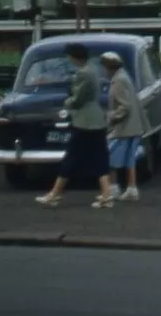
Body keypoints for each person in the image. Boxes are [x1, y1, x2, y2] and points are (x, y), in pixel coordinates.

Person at [36, 43, 115, 208]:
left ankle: (55, 194)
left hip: (84, 121)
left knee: (71, 157)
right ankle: (107, 194)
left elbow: (78, 98)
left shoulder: (83, 73)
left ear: (74, 57)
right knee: (100, 157)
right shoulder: (93, 69)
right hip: (96, 120)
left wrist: (67, 102)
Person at [101, 51, 147, 202]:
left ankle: (114, 187)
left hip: (122, 128)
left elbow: (125, 106)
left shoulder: (118, 81)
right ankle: (131, 188)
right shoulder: (124, 76)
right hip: (133, 126)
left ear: (109, 66)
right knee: (129, 159)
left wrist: (110, 116)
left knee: (109, 157)